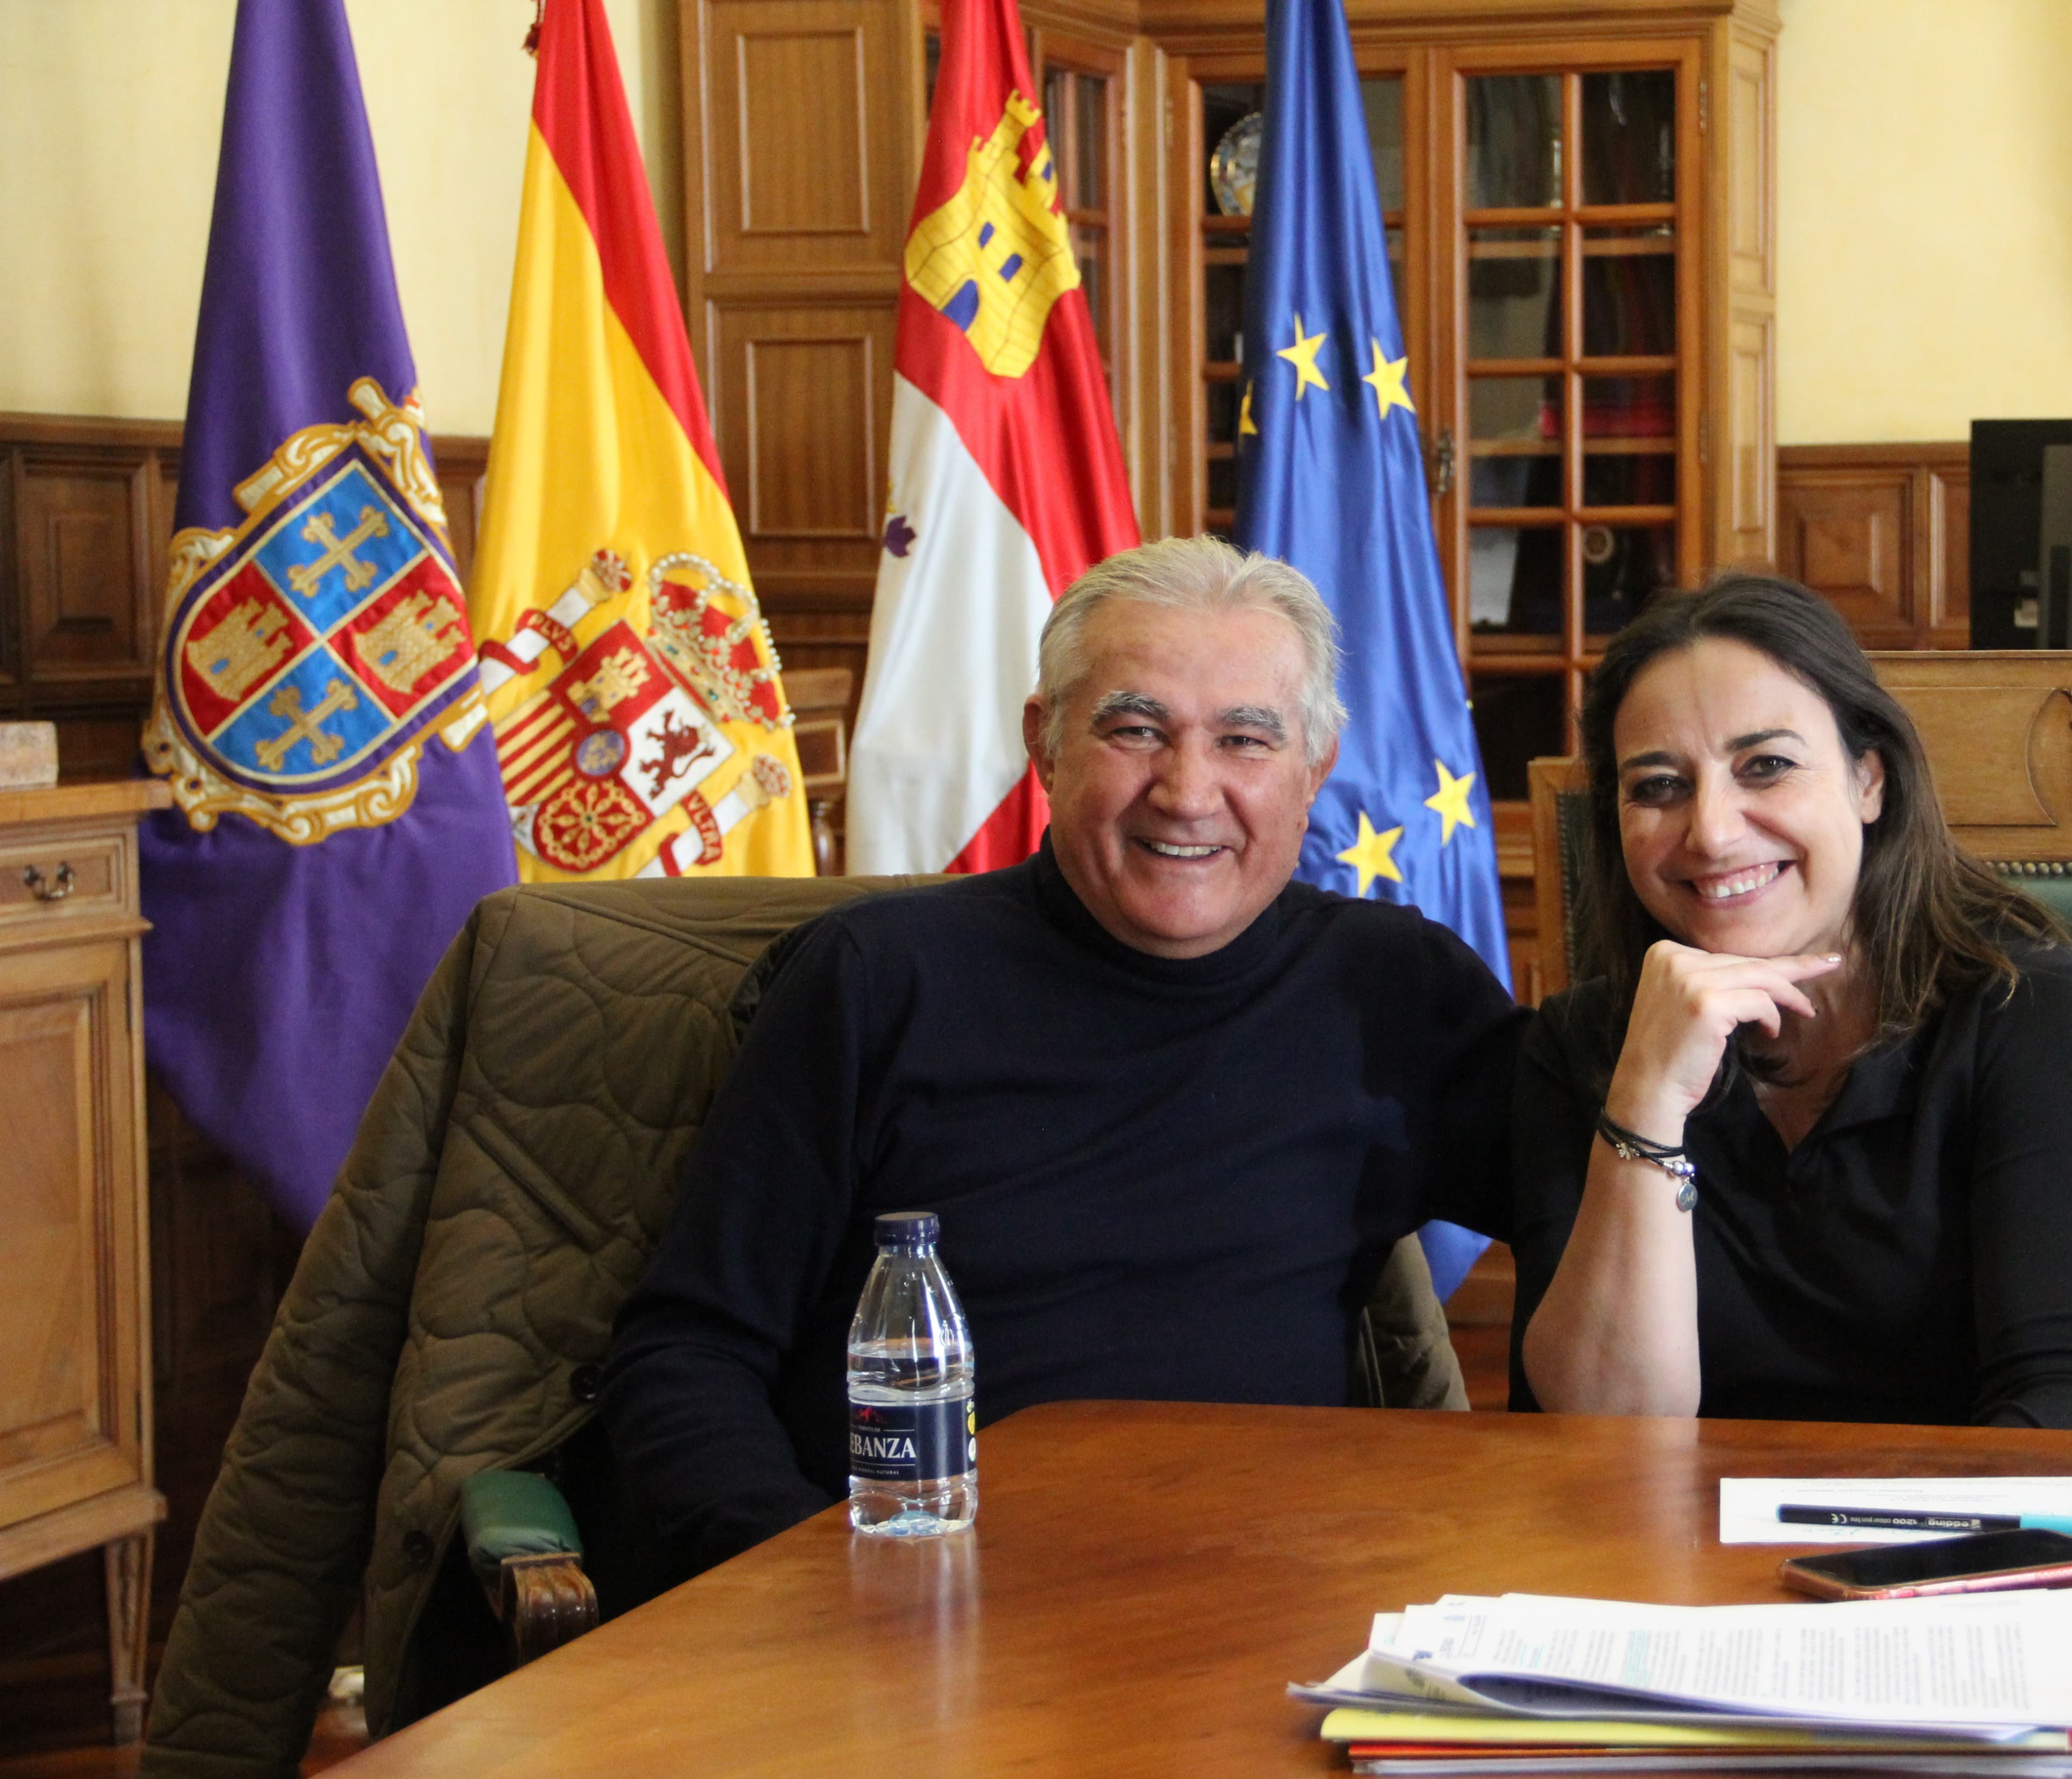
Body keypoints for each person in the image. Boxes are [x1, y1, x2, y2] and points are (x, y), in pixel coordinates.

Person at [603, 536, 1525, 1573]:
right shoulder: (875, 982)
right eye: (1137, 730)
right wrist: (809, 1596)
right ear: (1045, 743)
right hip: (920, 1630)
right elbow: (687, 1357)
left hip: (1270, 1616)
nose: (1186, 790)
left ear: (1314, 768)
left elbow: (1617, 1222)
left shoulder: (1392, 989)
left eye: (1245, 743)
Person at [1510, 573, 2072, 1433]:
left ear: (1869, 781)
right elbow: (1608, 1438)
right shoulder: (1583, 1047)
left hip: (2059, 1539)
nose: (1710, 829)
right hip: (1718, 1551)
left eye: (1766, 765)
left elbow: (2067, 1428)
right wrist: (1648, 1104)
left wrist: (1832, 1554)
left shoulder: (2027, 1015)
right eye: (1658, 785)